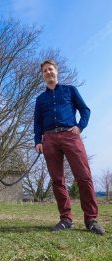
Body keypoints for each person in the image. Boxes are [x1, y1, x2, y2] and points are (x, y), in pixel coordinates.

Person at [34, 59, 104, 234]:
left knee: (84, 176)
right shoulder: (40, 99)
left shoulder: (70, 90)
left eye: (50, 69)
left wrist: (80, 127)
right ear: (43, 75)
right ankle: (65, 219)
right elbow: (37, 122)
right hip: (49, 138)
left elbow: (85, 110)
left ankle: (91, 220)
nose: (48, 72)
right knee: (57, 180)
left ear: (56, 71)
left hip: (70, 135)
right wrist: (38, 141)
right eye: (45, 71)